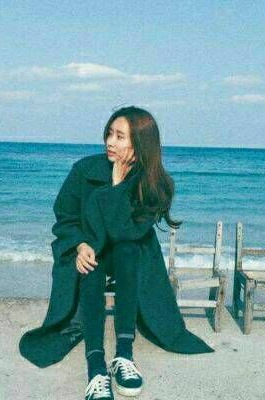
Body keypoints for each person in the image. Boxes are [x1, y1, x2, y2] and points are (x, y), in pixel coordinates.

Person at [74, 106, 183, 400]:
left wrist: (118, 186)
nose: (110, 142)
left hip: (131, 255)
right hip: (91, 249)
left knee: (125, 249)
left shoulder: (155, 184)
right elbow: (66, 218)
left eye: (120, 137)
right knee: (91, 262)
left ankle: (124, 353)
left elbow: (124, 231)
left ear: (140, 144)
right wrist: (80, 245)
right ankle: (96, 366)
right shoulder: (84, 169)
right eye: (109, 133)